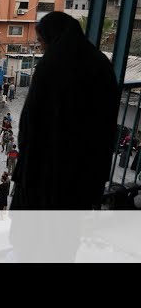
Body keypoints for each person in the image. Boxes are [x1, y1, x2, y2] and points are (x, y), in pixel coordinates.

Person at [10, 11, 118, 210]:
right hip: (83, 173)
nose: (41, 48)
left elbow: (31, 124)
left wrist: (24, 169)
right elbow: (107, 126)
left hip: (46, 172)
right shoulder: (101, 64)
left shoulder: (51, 67)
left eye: (42, 42)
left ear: (52, 38)